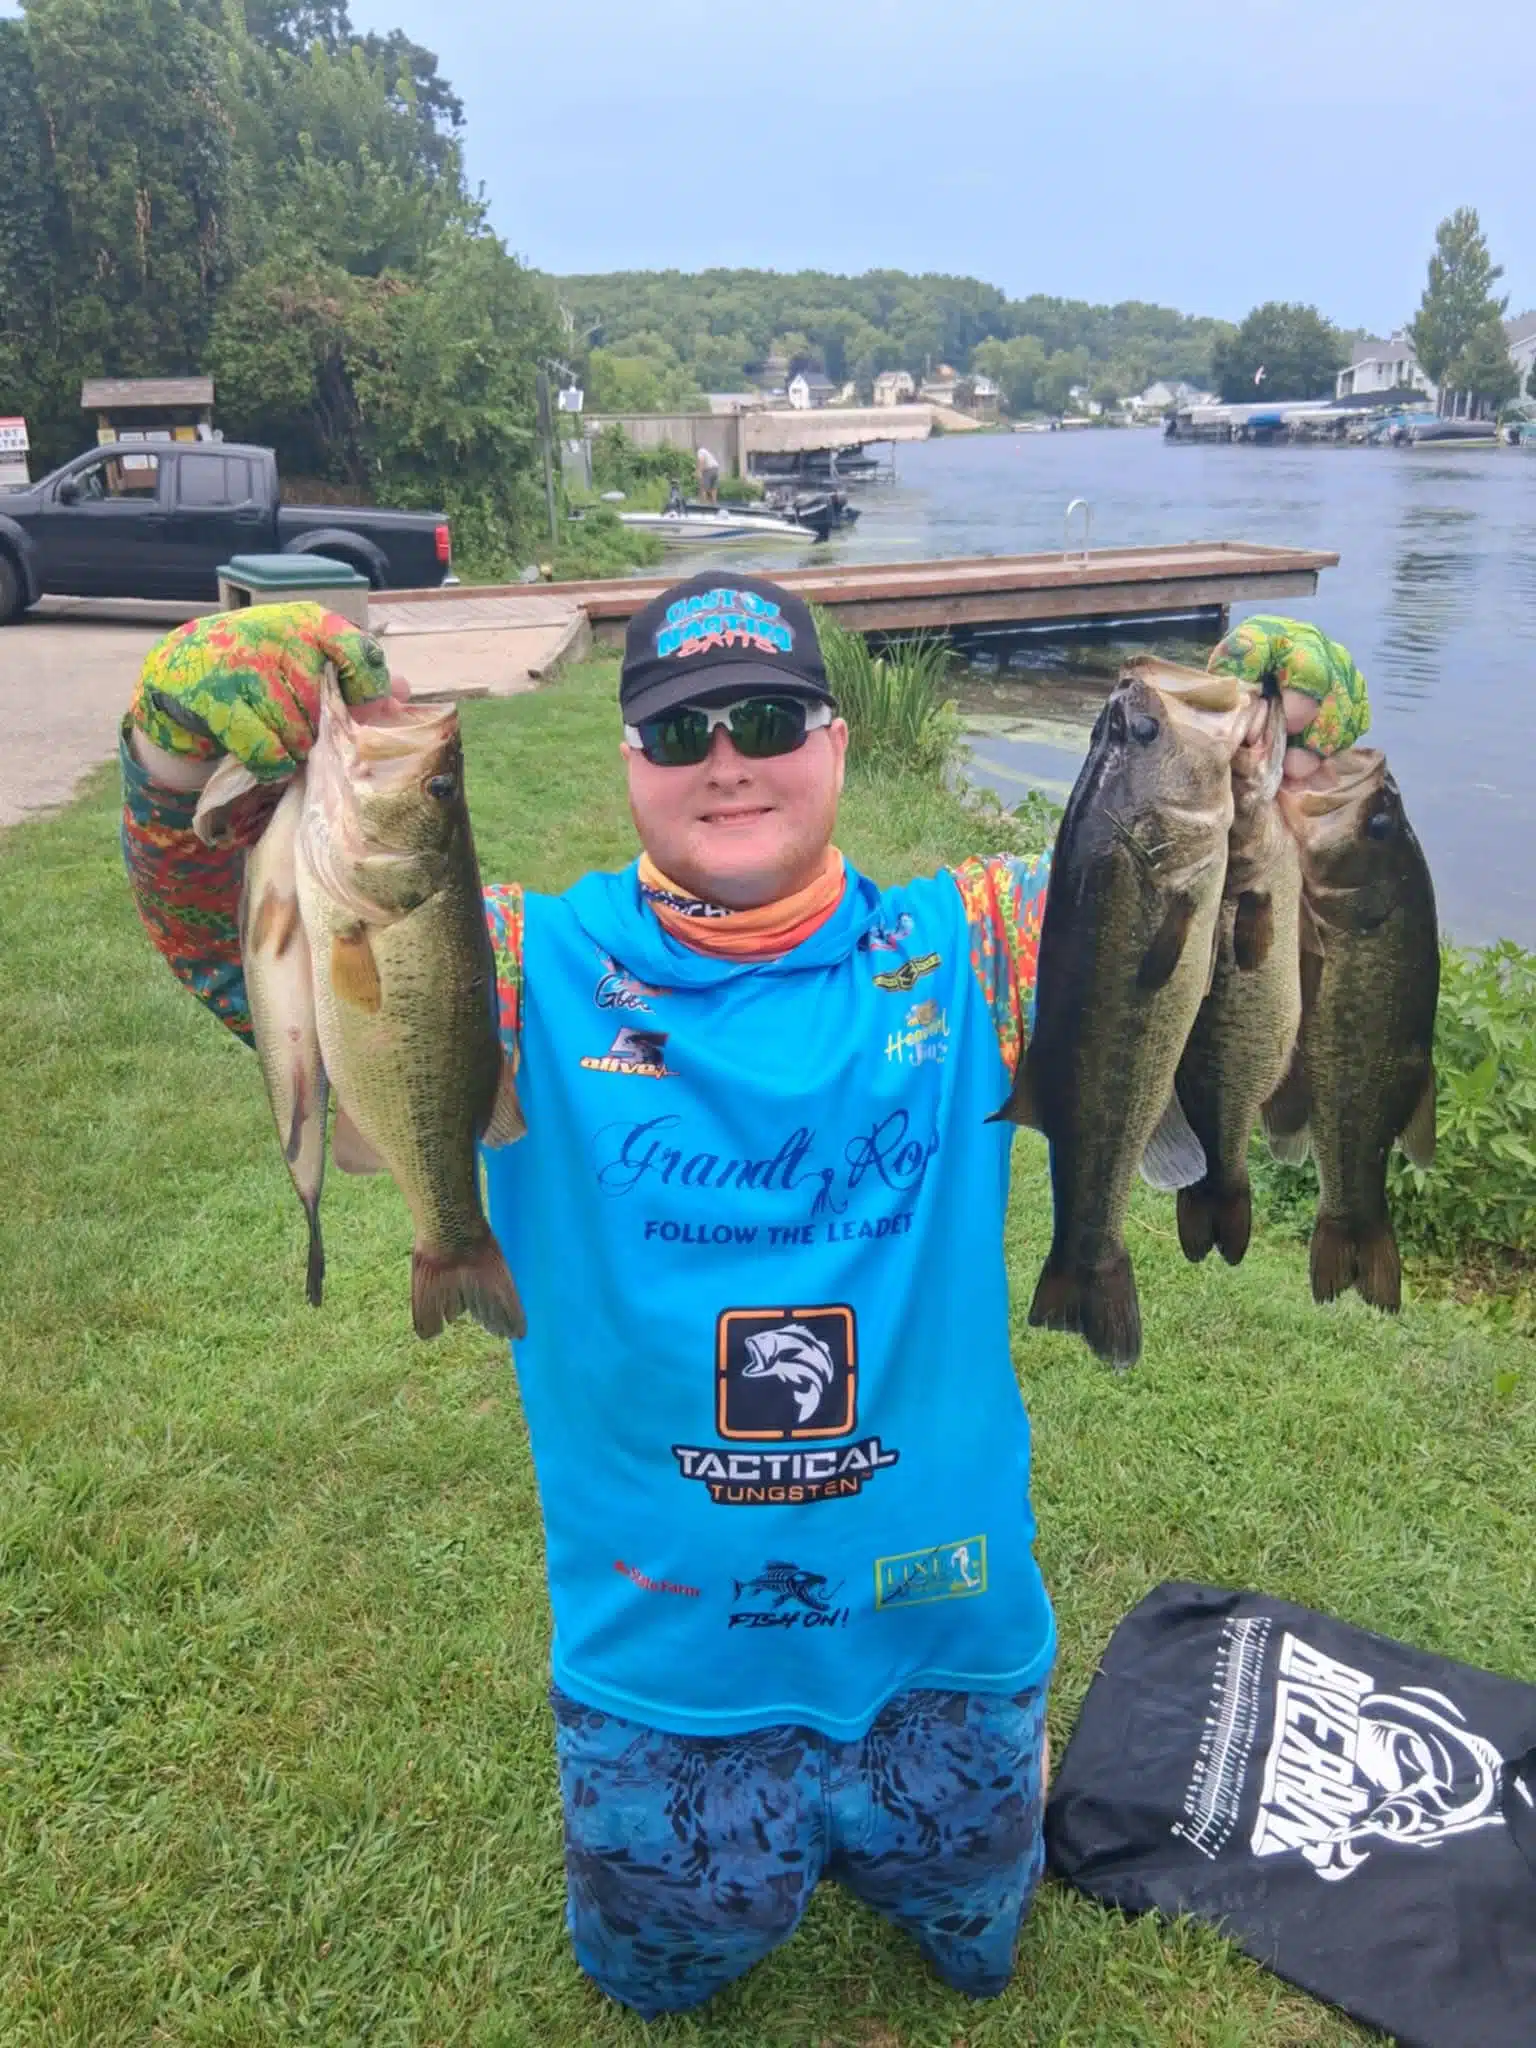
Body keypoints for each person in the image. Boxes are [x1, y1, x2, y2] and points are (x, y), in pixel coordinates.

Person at [119, 578, 1369, 2018]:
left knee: (978, 1933)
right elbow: (250, 962)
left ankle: (979, 1819)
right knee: (659, 1972)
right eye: (679, 728)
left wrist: (1307, 780)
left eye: (770, 717)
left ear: (835, 742)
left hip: (947, 1642)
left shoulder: (986, 947)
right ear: (630, 764)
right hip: (662, 1676)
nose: (728, 757)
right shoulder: (509, 972)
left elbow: (1230, 935)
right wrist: (166, 778)